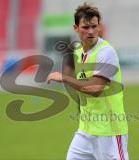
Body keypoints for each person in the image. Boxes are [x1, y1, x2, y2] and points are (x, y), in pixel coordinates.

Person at [47, 2, 129, 160]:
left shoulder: (106, 52)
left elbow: (95, 89)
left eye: (94, 26)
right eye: (85, 27)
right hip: (85, 132)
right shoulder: (77, 50)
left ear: (99, 27)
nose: (91, 31)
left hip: (109, 132)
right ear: (75, 28)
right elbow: (78, 79)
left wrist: (64, 78)